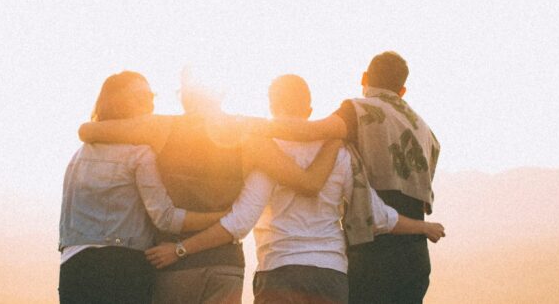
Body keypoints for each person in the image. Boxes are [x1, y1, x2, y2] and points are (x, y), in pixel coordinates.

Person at [145, 74, 445, 304]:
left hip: (279, 273)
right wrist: (423, 226)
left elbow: (240, 221)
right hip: (330, 275)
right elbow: (376, 216)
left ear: (271, 105)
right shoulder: (340, 152)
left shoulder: (267, 153)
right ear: (309, 109)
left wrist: (181, 249)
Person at [76, 70, 342, 303]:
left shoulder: (160, 127)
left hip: (173, 267)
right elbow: (309, 183)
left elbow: (88, 131)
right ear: (221, 93)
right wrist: (336, 137)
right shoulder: (249, 134)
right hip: (225, 267)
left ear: (184, 95)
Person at [258, 52, 442, 303]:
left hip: (372, 253)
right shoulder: (426, 132)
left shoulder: (359, 111)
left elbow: (310, 131)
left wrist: (248, 127)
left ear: (364, 78)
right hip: (414, 253)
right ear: (402, 90)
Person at [58, 71, 230, 303]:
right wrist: (221, 218)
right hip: (123, 267)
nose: (150, 103)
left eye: (151, 96)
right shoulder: (139, 153)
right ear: (118, 102)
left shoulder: (78, 156)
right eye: (141, 97)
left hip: (73, 266)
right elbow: (165, 218)